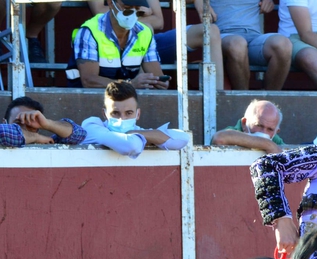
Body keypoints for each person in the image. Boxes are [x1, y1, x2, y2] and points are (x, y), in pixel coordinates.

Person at [87, 0, 225, 89]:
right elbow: (99, 12)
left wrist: (133, 14)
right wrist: (138, 13)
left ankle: (217, 98)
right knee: (145, 27)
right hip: (111, 42)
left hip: (153, 44)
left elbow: (159, 21)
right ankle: (142, 94)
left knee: (210, 31)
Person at [67, 0, 169, 89]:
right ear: (111, 3)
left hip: (126, 103)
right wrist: (129, 84)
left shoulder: (145, 33)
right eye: (127, 8)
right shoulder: (90, 31)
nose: (133, 14)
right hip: (87, 101)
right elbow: (89, 81)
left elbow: (158, 76)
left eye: (138, 10)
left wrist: (159, 82)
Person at [81, 81, 190, 157]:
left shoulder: (139, 131)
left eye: (129, 113)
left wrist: (136, 132)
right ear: (104, 114)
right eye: (115, 113)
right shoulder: (91, 125)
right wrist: (149, 139)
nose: (122, 118)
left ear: (138, 114)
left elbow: (183, 138)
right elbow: (131, 146)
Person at [209, 0, 292, 90]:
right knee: (237, 44)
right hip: (223, 36)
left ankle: (270, 100)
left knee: (283, 44)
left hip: (254, 37)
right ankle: (244, 98)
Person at [3, 96, 86, 145]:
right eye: (18, 123)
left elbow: (79, 134)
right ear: (4, 123)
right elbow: (3, 133)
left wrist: (48, 124)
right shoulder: (38, 138)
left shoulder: (45, 142)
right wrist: (36, 137)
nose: (24, 127)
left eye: (30, 122)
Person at [211, 99, 285, 152]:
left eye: (270, 129)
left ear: (276, 131)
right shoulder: (235, 131)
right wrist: (268, 145)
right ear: (244, 123)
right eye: (258, 125)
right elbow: (219, 138)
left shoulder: (275, 139)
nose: (264, 132)